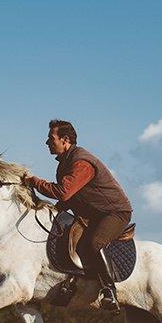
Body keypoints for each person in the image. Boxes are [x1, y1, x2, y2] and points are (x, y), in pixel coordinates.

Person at [23, 119, 132, 312]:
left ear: (65, 140)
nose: (47, 142)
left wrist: (35, 182)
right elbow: (68, 200)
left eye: (51, 138)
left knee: (94, 243)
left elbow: (63, 192)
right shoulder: (65, 163)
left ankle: (109, 291)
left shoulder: (81, 162)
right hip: (93, 215)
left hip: (114, 213)